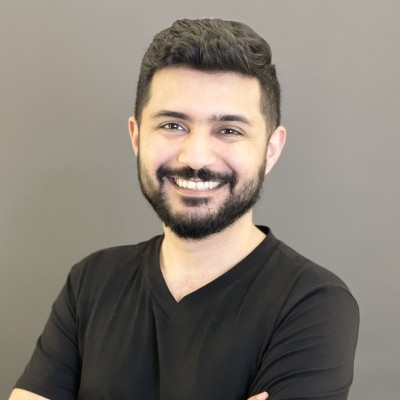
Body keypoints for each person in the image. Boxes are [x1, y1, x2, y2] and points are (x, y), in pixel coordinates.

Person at [9, 18, 359, 400]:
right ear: (136, 137)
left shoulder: (312, 302)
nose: (195, 157)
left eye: (229, 130)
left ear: (270, 150)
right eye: (173, 125)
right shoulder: (91, 282)